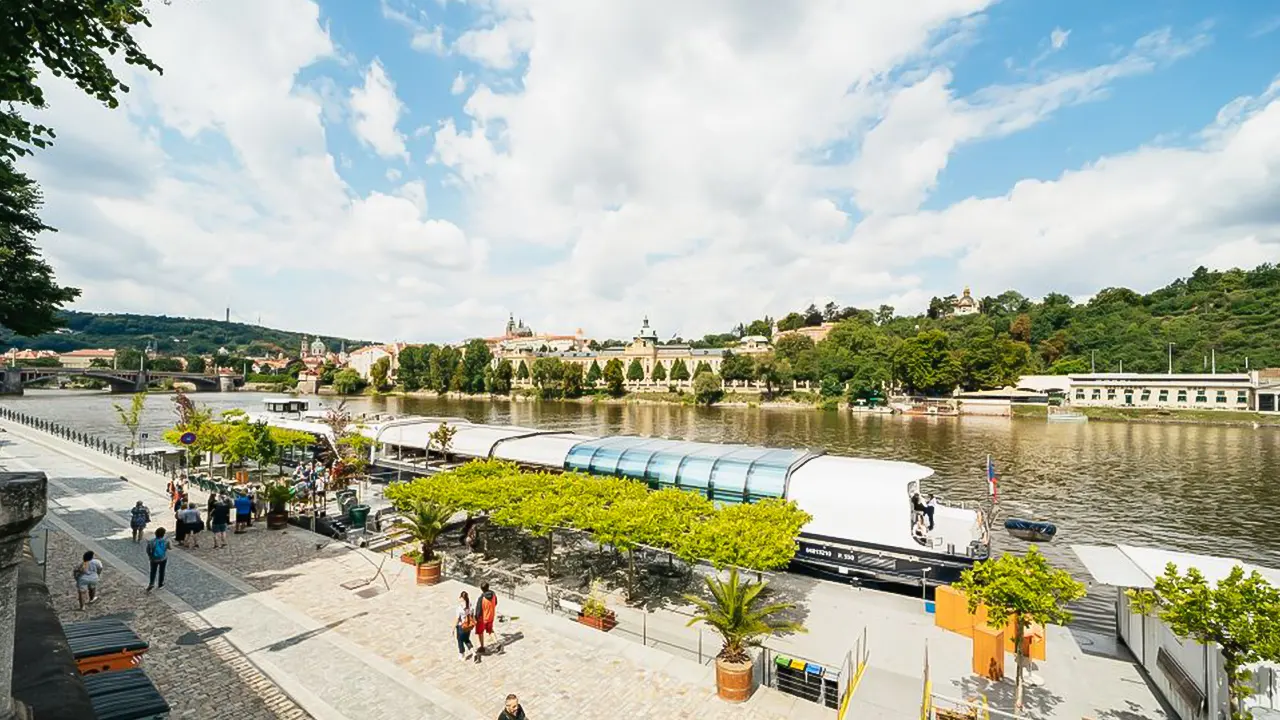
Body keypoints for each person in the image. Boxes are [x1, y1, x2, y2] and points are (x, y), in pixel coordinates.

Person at [473, 581, 499, 659]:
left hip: (483, 619)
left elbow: (478, 611)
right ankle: (497, 643)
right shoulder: (493, 594)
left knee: (479, 632)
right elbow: (496, 603)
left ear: (481, 589)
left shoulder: (481, 598)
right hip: (491, 616)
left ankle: (481, 647)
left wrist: (476, 619)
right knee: (490, 630)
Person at [456, 591, 476, 661]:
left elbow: (457, 619)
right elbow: (472, 614)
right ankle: (473, 652)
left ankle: (462, 655)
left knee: (460, 640)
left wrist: (453, 628)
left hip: (462, 626)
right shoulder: (470, 605)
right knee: (466, 639)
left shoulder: (460, 608)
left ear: (462, 598)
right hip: (469, 626)